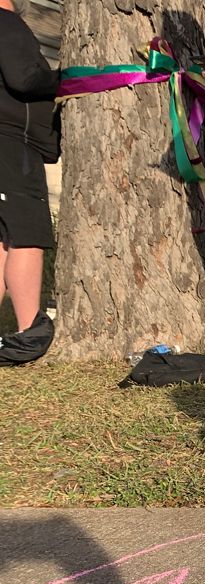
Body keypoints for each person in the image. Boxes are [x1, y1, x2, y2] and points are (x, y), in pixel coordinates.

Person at [0, 0, 58, 341]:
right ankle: (28, 330)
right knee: (26, 236)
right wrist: (66, 78)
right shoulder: (6, 22)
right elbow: (25, 79)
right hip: (11, 143)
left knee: (4, 240)